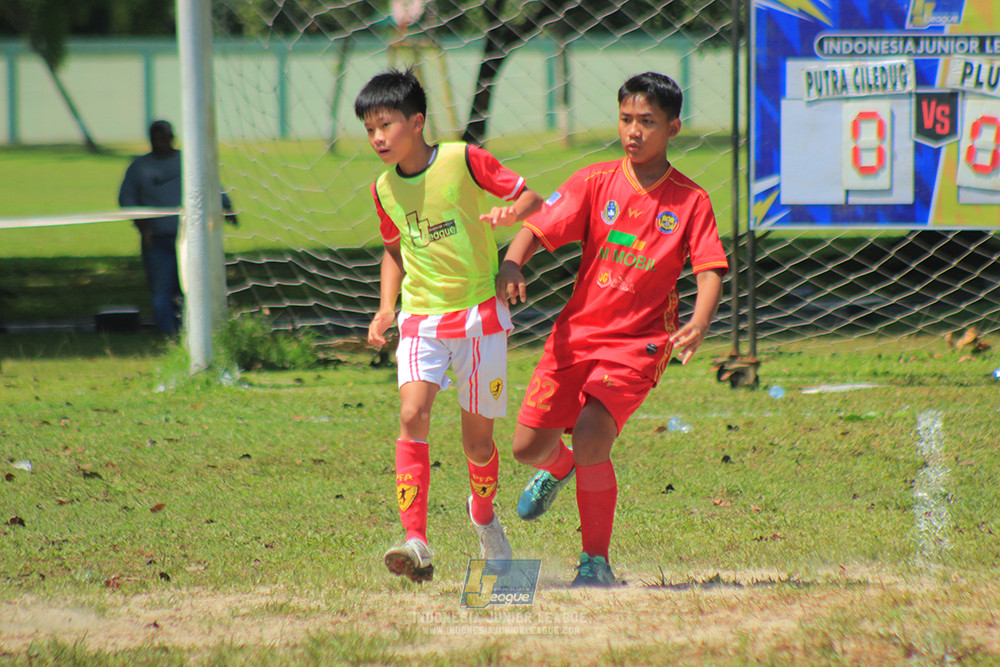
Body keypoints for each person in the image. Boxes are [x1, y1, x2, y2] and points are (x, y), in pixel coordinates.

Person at [496, 72, 729, 587]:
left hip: (639, 343)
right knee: (526, 447)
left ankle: (595, 562)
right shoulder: (594, 182)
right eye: (626, 119)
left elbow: (710, 269)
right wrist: (512, 263)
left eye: (647, 122)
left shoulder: (691, 201)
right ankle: (557, 468)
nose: (634, 131)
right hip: (575, 335)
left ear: (674, 128)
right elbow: (537, 227)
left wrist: (699, 320)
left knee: (592, 434)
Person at [354, 68, 543, 583]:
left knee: (477, 445)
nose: (376, 138)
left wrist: (510, 215)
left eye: (385, 125)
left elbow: (532, 199)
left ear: (416, 122)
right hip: (422, 320)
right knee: (412, 414)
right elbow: (393, 249)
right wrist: (386, 307)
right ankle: (416, 540)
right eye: (369, 129)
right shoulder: (383, 188)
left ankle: (483, 516)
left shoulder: (463, 160)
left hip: (481, 318)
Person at [118, 120, 237, 335]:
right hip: (158, 240)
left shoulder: (188, 161)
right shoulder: (139, 167)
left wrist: (226, 206)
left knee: (191, 286)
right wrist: (143, 225)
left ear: (172, 137)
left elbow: (211, 185)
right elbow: (127, 199)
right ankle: (168, 334)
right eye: (156, 138)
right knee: (162, 289)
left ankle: (192, 332)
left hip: (190, 238)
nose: (160, 142)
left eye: (164, 137)